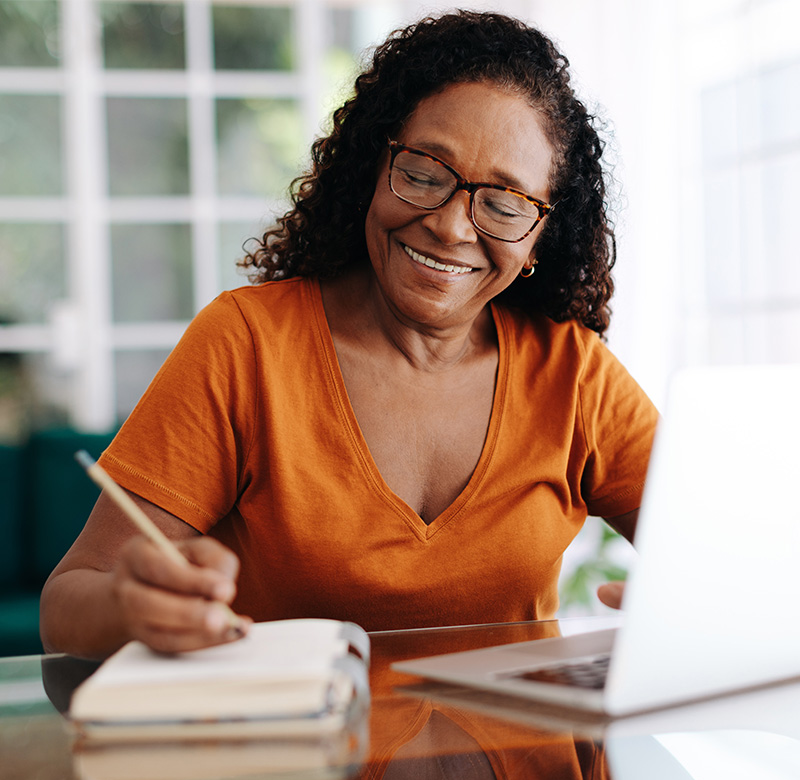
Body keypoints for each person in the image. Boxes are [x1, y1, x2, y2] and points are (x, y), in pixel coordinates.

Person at [40, 10, 658, 659]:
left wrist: (691, 603)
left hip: (527, 760)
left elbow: (732, 562)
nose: (450, 227)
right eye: (422, 174)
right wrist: (129, 606)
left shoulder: (573, 374)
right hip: (298, 753)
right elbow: (68, 603)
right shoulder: (247, 345)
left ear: (539, 236)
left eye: (503, 205)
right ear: (373, 165)